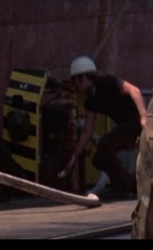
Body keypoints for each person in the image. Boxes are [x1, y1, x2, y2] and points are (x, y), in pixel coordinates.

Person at [60, 55, 147, 199]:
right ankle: (128, 184)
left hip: (135, 122)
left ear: (83, 77)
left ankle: (124, 184)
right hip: (125, 127)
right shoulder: (91, 101)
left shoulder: (108, 82)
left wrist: (144, 116)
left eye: (75, 80)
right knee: (98, 158)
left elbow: (135, 91)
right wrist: (74, 158)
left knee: (105, 144)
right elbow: (87, 132)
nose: (75, 84)